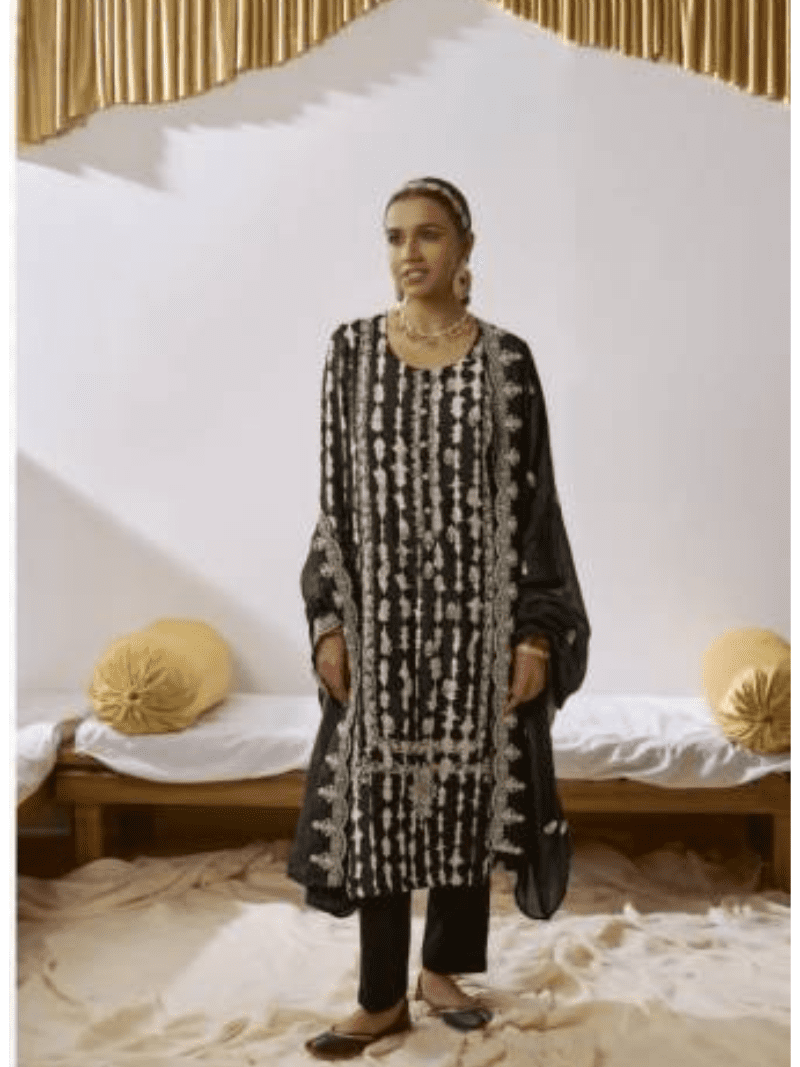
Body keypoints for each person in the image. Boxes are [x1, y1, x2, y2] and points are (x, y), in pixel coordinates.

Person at [288, 177, 590, 1060]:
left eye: (427, 234)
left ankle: (442, 970)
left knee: (467, 794)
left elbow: (533, 505)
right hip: (379, 623)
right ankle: (381, 994)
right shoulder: (350, 352)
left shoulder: (507, 362)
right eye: (394, 236)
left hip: (477, 626)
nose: (409, 252)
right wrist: (329, 619)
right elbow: (335, 500)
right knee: (380, 801)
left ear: (464, 247)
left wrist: (533, 630)